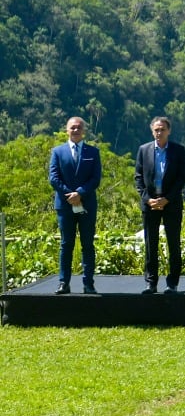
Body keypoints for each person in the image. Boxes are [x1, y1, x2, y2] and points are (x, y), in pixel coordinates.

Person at [133, 116, 185, 294]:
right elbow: (138, 177)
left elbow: (182, 178)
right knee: (151, 244)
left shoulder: (178, 150)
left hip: (171, 204)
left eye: (162, 129)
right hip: (150, 204)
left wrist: (167, 199)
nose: (159, 132)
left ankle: (172, 283)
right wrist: (148, 199)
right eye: (156, 130)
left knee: (173, 243)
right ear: (152, 131)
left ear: (168, 131)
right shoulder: (144, 150)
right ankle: (151, 282)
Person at [48, 116, 102, 295]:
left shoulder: (93, 152)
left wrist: (80, 192)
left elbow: (95, 179)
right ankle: (64, 282)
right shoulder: (57, 152)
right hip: (64, 206)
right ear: (67, 130)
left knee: (88, 244)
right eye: (72, 127)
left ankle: (89, 283)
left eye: (79, 127)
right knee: (66, 244)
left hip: (87, 205)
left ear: (84, 130)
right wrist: (70, 195)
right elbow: (53, 178)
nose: (76, 130)